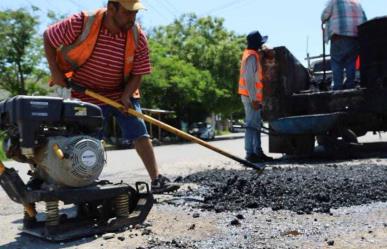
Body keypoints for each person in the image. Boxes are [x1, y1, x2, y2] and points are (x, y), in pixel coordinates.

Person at [43, 0, 179, 194]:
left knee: (139, 131)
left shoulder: (137, 35)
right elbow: (48, 37)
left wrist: (126, 96)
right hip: (86, 94)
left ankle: (157, 179)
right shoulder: (82, 22)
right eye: (128, 13)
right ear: (112, 7)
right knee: (86, 140)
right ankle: (83, 183)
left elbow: (138, 73)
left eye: (135, 14)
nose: (132, 18)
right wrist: (55, 72)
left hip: (121, 92)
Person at [238, 31, 273, 163]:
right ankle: (250, 153)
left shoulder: (251, 55)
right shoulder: (251, 57)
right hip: (250, 97)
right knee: (251, 126)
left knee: (256, 125)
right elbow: (249, 80)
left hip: (253, 97)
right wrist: (253, 99)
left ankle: (258, 152)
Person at [321, 0, 367, 90]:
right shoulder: (358, 4)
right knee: (351, 63)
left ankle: (338, 88)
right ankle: (350, 86)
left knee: (337, 62)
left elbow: (324, 16)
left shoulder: (334, 1)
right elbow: (365, 20)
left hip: (339, 37)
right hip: (354, 38)